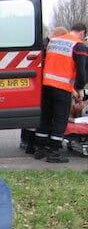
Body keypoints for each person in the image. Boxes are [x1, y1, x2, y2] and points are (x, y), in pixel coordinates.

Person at [31, 22, 88, 163]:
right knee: (60, 120)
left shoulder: (54, 41)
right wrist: (80, 87)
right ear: (82, 33)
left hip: (45, 85)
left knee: (45, 117)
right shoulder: (78, 45)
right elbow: (82, 70)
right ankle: (54, 152)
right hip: (62, 88)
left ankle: (40, 150)